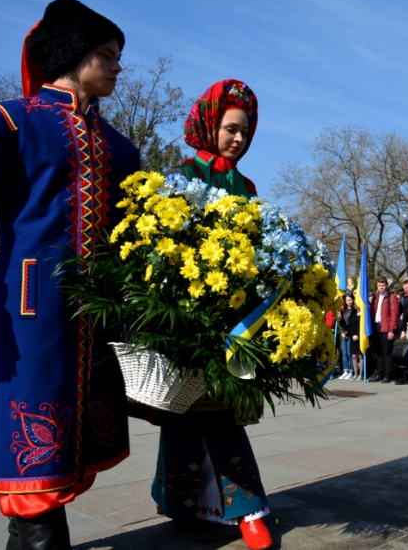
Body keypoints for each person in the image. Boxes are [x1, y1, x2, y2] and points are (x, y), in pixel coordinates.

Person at [0, 0, 138, 548]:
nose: (116, 65)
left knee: (78, 438)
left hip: (97, 314)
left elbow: (136, 234)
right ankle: (36, 537)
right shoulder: (12, 119)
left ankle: (34, 533)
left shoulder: (120, 148)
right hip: (31, 307)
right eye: (106, 54)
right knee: (30, 428)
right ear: (73, 55)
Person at [144, 79, 272, 550]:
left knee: (223, 412)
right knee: (181, 412)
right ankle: (178, 502)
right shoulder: (180, 174)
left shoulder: (247, 185)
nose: (238, 139)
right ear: (208, 124)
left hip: (234, 316)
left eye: (245, 132)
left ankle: (247, 509)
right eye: (231, 129)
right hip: (186, 314)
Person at [368, 277, 401, 383]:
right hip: (376, 326)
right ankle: (380, 373)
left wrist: (392, 330)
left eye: (383, 285)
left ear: (387, 285)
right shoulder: (376, 297)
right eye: (379, 285)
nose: (381, 287)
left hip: (386, 327)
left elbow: (394, 314)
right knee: (379, 352)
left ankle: (388, 374)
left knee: (387, 352)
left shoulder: (392, 297)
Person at [337, 294, 362, 380]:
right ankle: (345, 370)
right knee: (344, 353)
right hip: (344, 333)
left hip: (351, 334)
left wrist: (349, 333)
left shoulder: (355, 310)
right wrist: (342, 332)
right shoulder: (343, 310)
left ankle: (351, 371)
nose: (349, 302)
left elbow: (353, 324)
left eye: (350, 300)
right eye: (347, 300)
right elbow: (341, 323)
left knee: (350, 353)